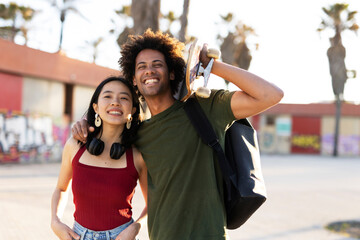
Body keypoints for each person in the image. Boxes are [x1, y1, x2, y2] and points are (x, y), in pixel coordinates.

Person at [72, 29, 284, 240]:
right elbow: (106, 135)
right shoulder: (137, 135)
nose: (149, 71)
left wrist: (211, 65)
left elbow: (270, 95)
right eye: (141, 67)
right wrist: (84, 124)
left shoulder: (206, 108)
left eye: (157, 65)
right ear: (134, 80)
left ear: (172, 72)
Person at [51, 76, 147, 240]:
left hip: (122, 236)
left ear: (132, 110)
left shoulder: (138, 155)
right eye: (108, 96)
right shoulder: (75, 146)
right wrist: (55, 221)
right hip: (79, 235)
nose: (115, 102)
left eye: (124, 98)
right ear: (95, 107)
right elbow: (61, 188)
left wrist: (136, 227)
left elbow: (153, 203)